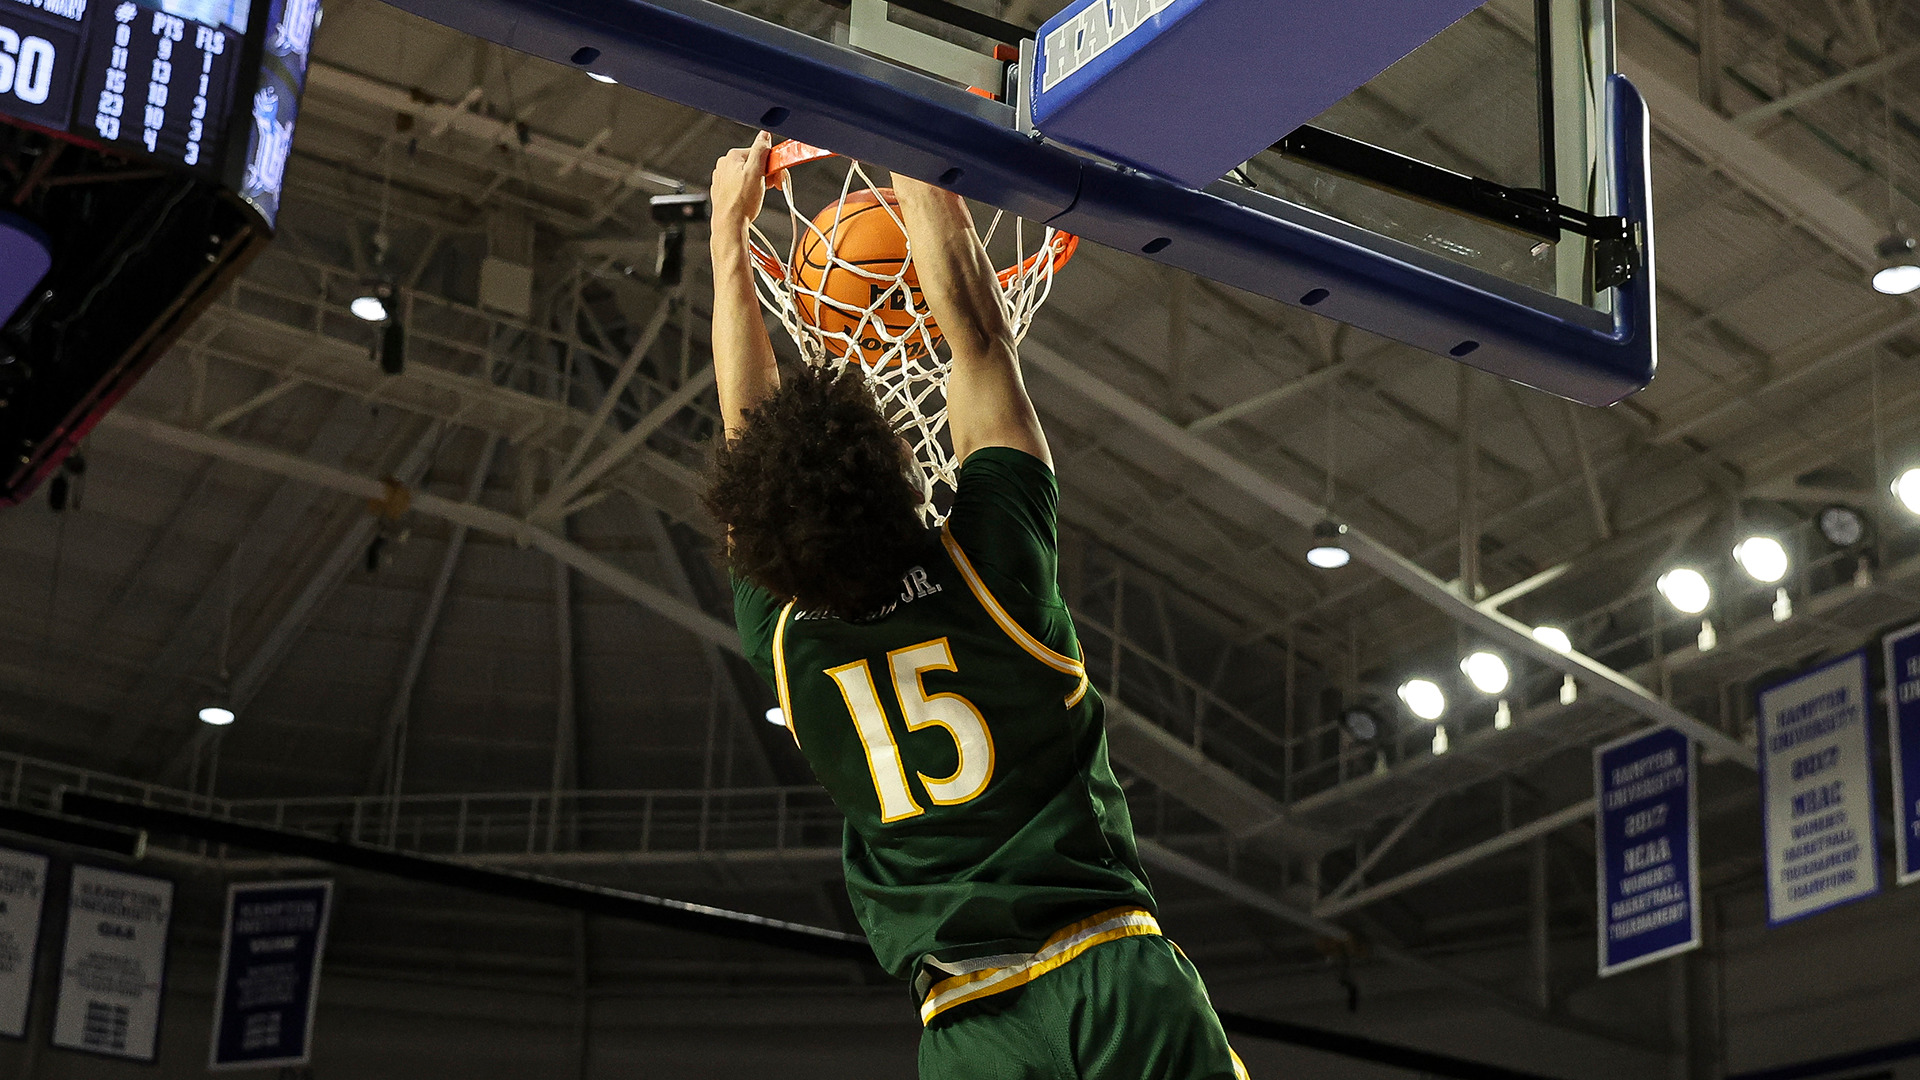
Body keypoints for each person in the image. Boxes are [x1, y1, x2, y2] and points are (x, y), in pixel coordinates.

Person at [705, 131, 1248, 1080]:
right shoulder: (991, 566)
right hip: (1106, 969)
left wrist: (725, 253)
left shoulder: (785, 633)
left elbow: (751, 443)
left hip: (966, 1025)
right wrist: (923, 171)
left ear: (755, 532)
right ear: (896, 464)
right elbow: (982, 344)